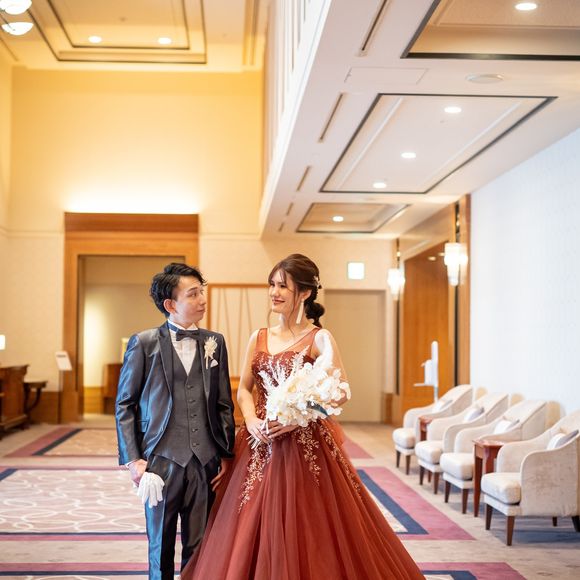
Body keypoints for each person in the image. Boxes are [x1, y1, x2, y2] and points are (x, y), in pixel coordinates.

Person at [181, 254, 424, 579]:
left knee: (308, 520)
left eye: (283, 286)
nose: (274, 292)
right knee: (249, 517)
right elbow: (244, 390)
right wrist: (250, 420)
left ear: (305, 293)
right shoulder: (259, 336)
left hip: (304, 442)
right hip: (258, 439)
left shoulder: (319, 338)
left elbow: (340, 392)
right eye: (272, 284)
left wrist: (299, 416)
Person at [115, 262, 235, 580]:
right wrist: (133, 461)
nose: (202, 299)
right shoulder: (144, 343)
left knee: (201, 546)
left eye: (202, 292)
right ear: (170, 304)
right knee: (161, 545)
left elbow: (224, 403)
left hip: (205, 462)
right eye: (193, 294)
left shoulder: (215, 343)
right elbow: (125, 405)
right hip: (160, 462)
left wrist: (226, 456)